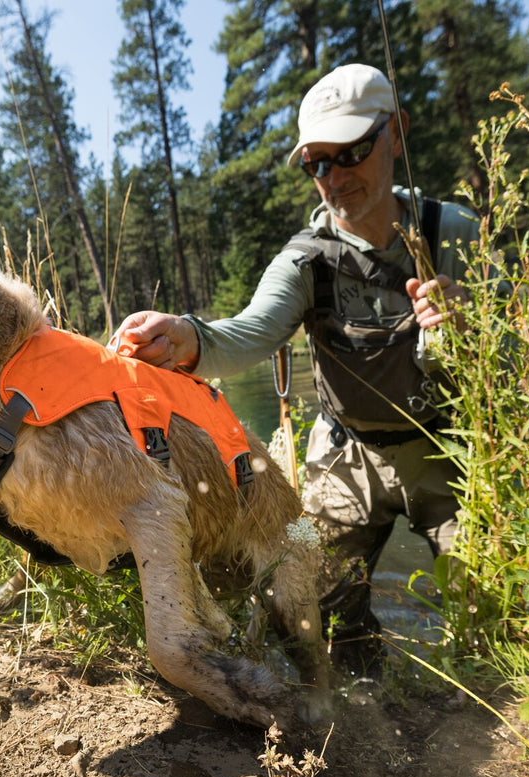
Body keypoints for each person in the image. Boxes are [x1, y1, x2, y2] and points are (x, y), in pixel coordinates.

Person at [111, 63, 480, 678]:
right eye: (316, 163)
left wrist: (475, 327)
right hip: (345, 459)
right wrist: (185, 337)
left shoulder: (455, 233)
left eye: (351, 152)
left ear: (397, 133)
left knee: (487, 607)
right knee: (319, 607)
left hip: (449, 452)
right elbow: (247, 333)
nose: (333, 178)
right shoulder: (304, 260)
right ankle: (364, 699)